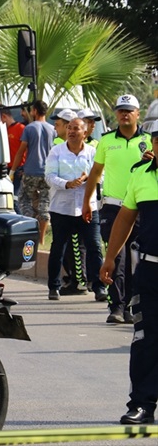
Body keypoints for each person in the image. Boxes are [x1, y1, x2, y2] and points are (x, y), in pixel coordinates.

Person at [98, 119, 158, 426]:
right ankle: (142, 405)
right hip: (150, 269)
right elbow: (125, 218)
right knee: (146, 337)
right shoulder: (140, 176)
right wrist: (110, 258)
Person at [84, 94, 152, 324]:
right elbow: (95, 173)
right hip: (113, 208)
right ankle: (116, 306)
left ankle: (131, 306)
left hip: (141, 207)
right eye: (120, 110)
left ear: (137, 113)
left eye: (129, 110)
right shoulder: (106, 141)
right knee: (116, 257)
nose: (124, 114)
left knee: (135, 259)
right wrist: (87, 202)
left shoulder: (149, 140)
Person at [44, 118, 105, 301]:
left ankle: (98, 287)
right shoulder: (56, 151)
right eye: (69, 128)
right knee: (58, 247)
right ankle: (54, 287)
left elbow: (101, 176)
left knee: (94, 246)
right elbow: (49, 176)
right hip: (62, 207)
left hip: (88, 207)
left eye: (76, 129)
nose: (71, 131)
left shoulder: (93, 152)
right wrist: (67, 184)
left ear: (85, 133)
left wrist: (88, 179)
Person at [8, 100, 56, 249]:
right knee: (44, 205)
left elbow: (21, 151)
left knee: (24, 201)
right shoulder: (52, 129)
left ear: (34, 111)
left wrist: (13, 171)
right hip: (47, 172)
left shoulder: (29, 128)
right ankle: (41, 240)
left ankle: (29, 236)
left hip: (30, 172)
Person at [0, 105, 25, 212]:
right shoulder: (2, 130)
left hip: (18, 170)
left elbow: (26, 151)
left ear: (4, 116)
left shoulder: (21, 129)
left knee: (15, 199)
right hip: (6, 169)